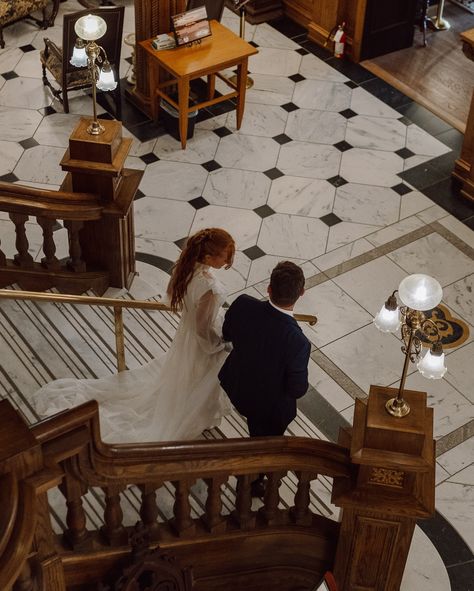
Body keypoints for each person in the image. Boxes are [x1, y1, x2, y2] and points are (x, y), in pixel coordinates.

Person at [31, 228, 235, 443]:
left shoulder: (186, 270)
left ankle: (185, 401)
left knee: (186, 374)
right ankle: (189, 409)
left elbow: (184, 307)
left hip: (186, 338)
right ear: (207, 257)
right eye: (225, 255)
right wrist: (220, 345)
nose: (227, 260)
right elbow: (202, 328)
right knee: (198, 375)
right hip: (200, 343)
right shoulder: (208, 288)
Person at [218, 261, 311, 496]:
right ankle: (253, 481)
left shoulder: (243, 305)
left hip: (237, 383)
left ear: (269, 289)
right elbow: (297, 389)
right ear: (301, 293)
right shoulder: (298, 342)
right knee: (263, 444)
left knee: (255, 430)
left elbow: (227, 333)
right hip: (268, 408)